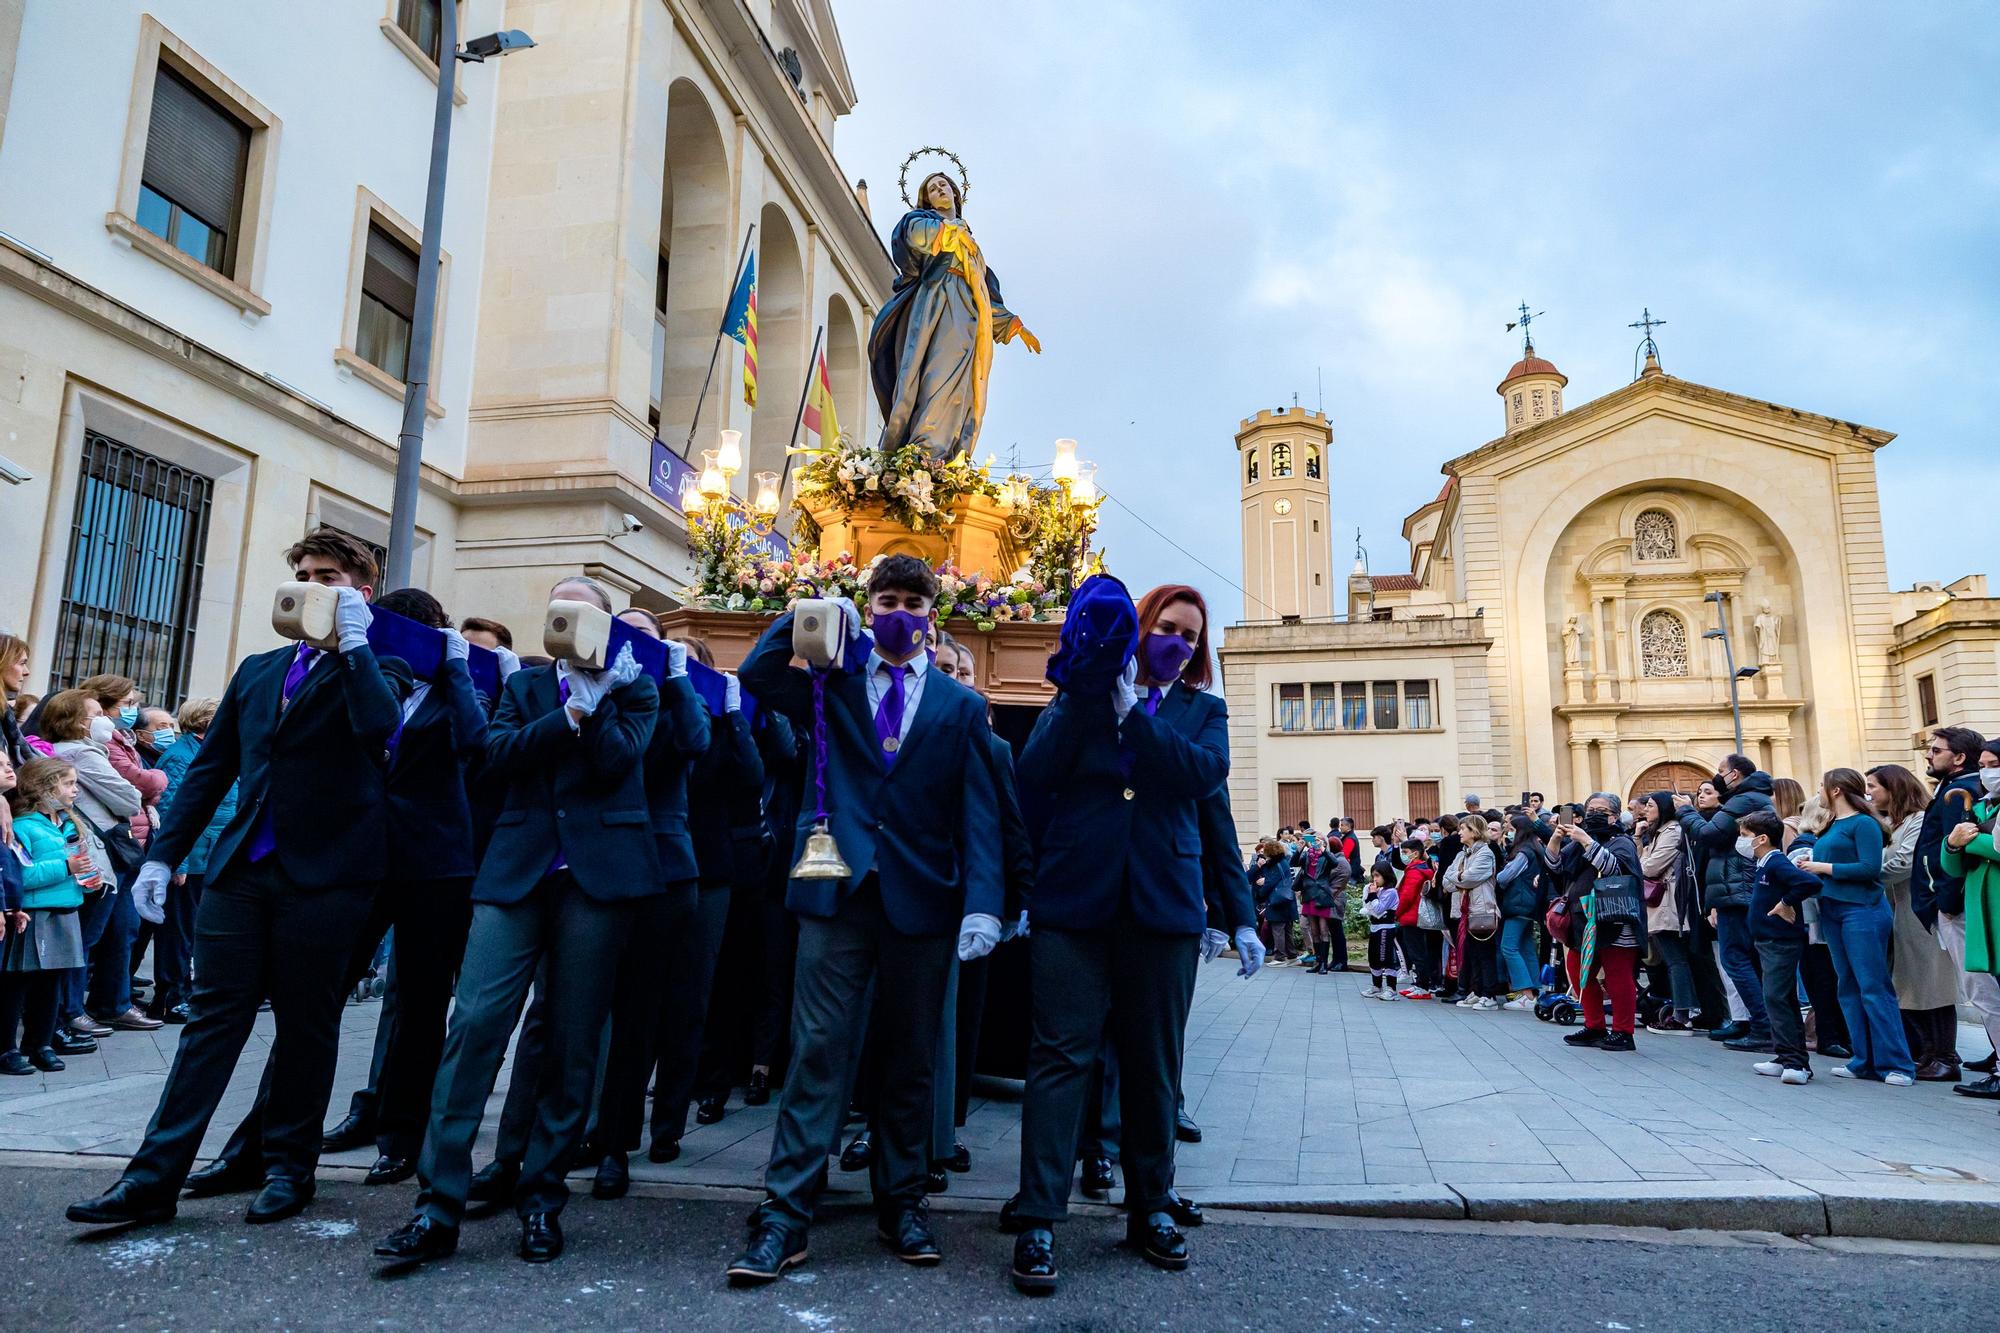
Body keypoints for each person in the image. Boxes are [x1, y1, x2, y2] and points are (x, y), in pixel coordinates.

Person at [66, 530, 402, 1230]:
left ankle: (288, 1167)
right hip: (242, 871)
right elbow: (213, 771)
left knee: (308, 1027)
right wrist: (164, 855)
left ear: (360, 592)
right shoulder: (258, 669)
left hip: (330, 875)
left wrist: (357, 642)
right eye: (305, 573)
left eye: (330, 576)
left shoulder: (383, 665)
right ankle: (153, 1177)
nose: (313, 585)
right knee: (211, 1024)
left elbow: (380, 728)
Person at [726, 555, 1001, 1285]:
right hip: (837, 893)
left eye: (913, 600)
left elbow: (979, 814)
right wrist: (810, 612)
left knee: (910, 1059)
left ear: (931, 613)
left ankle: (901, 1201)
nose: (900, 612)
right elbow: (756, 673)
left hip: (924, 899)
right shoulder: (831, 679)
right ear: (868, 605)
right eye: (887, 599)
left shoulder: (960, 705)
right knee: (817, 1049)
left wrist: (984, 901)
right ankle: (785, 1213)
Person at [374, 575, 661, 1266]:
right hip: (515, 874)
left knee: (570, 1041)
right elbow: (495, 757)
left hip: (596, 880)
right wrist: (567, 716)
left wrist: (599, 707)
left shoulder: (638, 686)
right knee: (473, 1025)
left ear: (607, 624)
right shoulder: (526, 686)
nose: (569, 621)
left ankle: (541, 1197)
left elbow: (619, 761)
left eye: (583, 610)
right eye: (559, 609)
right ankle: (437, 1204)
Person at [1005, 580, 1235, 1296]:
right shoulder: (1080, 694)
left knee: (1153, 1066)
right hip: (1076, 903)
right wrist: (1088, 692)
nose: (1178, 641)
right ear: (1141, 628)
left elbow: (1201, 777)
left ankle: (1151, 1205)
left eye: (1191, 636)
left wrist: (1134, 715)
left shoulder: (1205, 711)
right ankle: (1041, 1213)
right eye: (1168, 626)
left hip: (1162, 908)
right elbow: (1034, 772)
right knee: (1059, 1058)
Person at [586, 621, 723, 1191]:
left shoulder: (675, 697)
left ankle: (642, 1132)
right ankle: (591, 1136)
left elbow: (696, 741)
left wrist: (676, 678)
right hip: (599, 861)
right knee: (597, 1013)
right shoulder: (598, 690)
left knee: (658, 1007)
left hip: (665, 866)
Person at [41, 688, 156, 1035]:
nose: (105, 721)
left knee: (119, 931)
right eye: (97, 715)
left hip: (109, 854)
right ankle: (71, 1011)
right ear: (75, 721)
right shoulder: (80, 754)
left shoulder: (90, 751)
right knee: (88, 936)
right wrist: (139, 792)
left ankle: (107, 1004)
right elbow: (129, 797)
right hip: (96, 856)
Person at [1789, 768, 1913, 1084]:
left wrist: (1822, 866)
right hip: (1833, 909)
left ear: (1837, 790)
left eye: (1822, 785)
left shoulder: (1864, 823)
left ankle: (1897, 1064)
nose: (1818, 791)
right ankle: (1863, 1059)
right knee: (1848, 986)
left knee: (1874, 986)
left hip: (1863, 910)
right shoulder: (1831, 825)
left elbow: (1871, 868)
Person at [1674, 757, 1776, 1048]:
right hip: (1737, 888)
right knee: (1743, 960)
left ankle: (1761, 1026)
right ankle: (1749, 1022)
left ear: (1734, 775)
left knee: (1736, 959)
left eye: (1720, 773)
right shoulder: (1751, 798)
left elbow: (1708, 833)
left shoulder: (1744, 800)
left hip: (1736, 889)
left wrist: (1686, 812)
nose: (1716, 779)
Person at [1868, 764, 1960, 1080]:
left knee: (1931, 983)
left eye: (1873, 786)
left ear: (1893, 788)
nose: (1868, 793)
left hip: (1918, 910)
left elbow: (1907, 862)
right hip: (1897, 911)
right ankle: (1927, 1052)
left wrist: (1864, 873)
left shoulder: (1918, 821)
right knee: (1908, 985)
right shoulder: (1890, 823)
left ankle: (1945, 1056)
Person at [2, 755, 91, 1074]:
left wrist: (86, 879)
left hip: (66, 909)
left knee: (52, 984)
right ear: (43, 787)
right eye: (68, 783)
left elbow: (77, 862)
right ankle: (7, 1048)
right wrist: (66, 868)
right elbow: (21, 874)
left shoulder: (67, 822)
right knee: (19, 984)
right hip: (37, 913)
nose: (74, 789)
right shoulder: (25, 826)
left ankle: (40, 1043)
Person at [149, 698, 233, 1023]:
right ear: (205, 722)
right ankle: (170, 997)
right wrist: (177, 861)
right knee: (179, 932)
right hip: (192, 858)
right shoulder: (181, 756)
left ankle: (185, 991)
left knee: (194, 929)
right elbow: (172, 810)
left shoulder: (213, 749)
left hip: (211, 854)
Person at [1555, 793, 1645, 1052]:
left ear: (1615, 816)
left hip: (1616, 918)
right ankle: (1595, 1026)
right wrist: (1555, 839)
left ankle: (1623, 1031)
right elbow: (1557, 868)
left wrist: (1586, 841)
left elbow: (1614, 869)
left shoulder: (1622, 842)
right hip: (1583, 920)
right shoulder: (1576, 842)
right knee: (1578, 970)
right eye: (1591, 809)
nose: (1595, 814)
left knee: (1618, 975)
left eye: (1602, 810)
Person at [1739, 809, 1816, 1083]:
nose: (1741, 841)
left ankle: (1796, 1062)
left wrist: (1785, 903)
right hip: (1766, 940)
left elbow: (1809, 882)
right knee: (1778, 999)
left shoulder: (1776, 862)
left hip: (1780, 941)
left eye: (1745, 835)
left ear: (1761, 839)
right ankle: (1785, 1056)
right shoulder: (1763, 865)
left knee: (1777, 997)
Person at [1941, 741, 2000, 1096]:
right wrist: (1953, 844)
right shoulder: (1980, 806)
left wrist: (1970, 841)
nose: (1988, 771)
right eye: (1985, 764)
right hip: (1983, 916)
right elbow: (1952, 865)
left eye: (1994, 763)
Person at [1636, 793, 1696, 1034]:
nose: (1645, 811)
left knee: (1675, 960)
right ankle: (1681, 1010)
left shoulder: (1672, 832)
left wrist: (1640, 862)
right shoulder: (1658, 833)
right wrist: (1639, 838)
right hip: (1659, 904)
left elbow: (1649, 866)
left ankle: (1683, 1014)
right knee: (1670, 960)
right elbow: (1642, 860)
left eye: (1650, 806)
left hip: (1668, 904)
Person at [1441, 813, 1501, 1009]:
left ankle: (1489, 995)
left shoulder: (1485, 853)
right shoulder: (1462, 854)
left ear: (1474, 832)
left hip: (1481, 910)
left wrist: (1457, 877)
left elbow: (1470, 878)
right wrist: (1460, 877)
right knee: (1470, 954)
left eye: (1463, 829)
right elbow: (1445, 881)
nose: (1459, 833)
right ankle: (1475, 991)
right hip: (1464, 912)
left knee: (1485, 953)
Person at [1495, 815, 1545, 1008]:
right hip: (1528, 904)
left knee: (1509, 947)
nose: (1508, 831)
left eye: (1510, 828)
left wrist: (1500, 871)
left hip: (1518, 903)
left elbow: (1504, 877)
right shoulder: (1536, 849)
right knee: (1526, 948)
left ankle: (1526, 994)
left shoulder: (1524, 852)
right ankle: (1533, 992)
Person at [1297, 826, 1349, 974]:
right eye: (1314, 840)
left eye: (1318, 840)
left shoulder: (1328, 857)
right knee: (1314, 930)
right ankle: (1318, 962)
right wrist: (1300, 849)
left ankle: (1324, 964)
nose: (1315, 842)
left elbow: (1334, 864)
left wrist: (1323, 850)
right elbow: (1294, 863)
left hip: (1323, 897)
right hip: (1310, 896)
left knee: (1324, 930)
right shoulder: (1308, 856)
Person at [1394, 837, 1436, 998]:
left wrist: (1396, 913)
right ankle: (1419, 984)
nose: (1403, 855)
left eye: (1405, 852)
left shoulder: (1414, 872)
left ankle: (1423, 986)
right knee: (1417, 951)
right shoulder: (1418, 869)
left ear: (1416, 853)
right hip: (1415, 916)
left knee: (1417, 952)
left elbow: (1406, 896)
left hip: (1412, 917)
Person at [1252, 838, 1297, 965]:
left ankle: (1280, 957)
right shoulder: (1283, 862)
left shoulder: (1275, 865)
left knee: (1277, 929)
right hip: (1287, 899)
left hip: (1277, 901)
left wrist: (1262, 887)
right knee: (1287, 929)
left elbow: (1271, 882)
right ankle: (1292, 956)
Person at [1362, 867, 1402, 998]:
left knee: (1386, 958)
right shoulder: (1380, 890)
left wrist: (1373, 895)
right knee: (1373, 958)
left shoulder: (1391, 892)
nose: (1375, 879)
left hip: (1386, 928)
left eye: (1377, 876)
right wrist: (1368, 893)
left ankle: (1391, 988)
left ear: (1386, 876)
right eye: (1373, 876)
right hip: (1375, 927)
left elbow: (1378, 909)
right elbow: (1368, 906)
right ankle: (1376, 986)